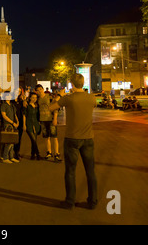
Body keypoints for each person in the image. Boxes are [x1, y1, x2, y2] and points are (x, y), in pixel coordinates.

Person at [49, 73, 97, 210]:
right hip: (88, 138)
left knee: (70, 171)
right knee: (90, 171)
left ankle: (70, 201)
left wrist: (60, 95)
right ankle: (92, 201)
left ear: (71, 83)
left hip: (72, 138)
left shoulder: (68, 99)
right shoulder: (91, 97)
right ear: (83, 83)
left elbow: (51, 108)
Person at [36, 85, 61, 161]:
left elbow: (55, 107)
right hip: (43, 120)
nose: (40, 91)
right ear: (36, 92)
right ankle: (49, 152)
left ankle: (56, 153)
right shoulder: (37, 99)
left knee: (54, 137)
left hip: (50, 119)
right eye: (38, 90)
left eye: (41, 89)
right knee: (47, 138)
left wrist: (55, 118)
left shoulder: (49, 97)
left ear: (43, 89)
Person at [0, 91, 20, 163]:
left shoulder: (12, 105)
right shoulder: (4, 105)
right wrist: (12, 122)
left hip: (13, 124)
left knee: (13, 141)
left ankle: (11, 157)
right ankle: (5, 157)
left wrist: (17, 122)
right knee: (8, 142)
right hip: (7, 124)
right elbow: (4, 115)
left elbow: (15, 114)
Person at [23, 92, 41, 160]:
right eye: (33, 97)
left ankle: (32, 155)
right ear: (30, 98)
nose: (34, 99)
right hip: (29, 123)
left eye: (36, 98)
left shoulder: (37, 105)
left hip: (36, 124)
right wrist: (24, 124)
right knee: (33, 139)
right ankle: (38, 154)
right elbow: (24, 115)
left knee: (34, 140)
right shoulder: (26, 105)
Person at [13, 87, 27, 160]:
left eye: (19, 91)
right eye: (16, 90)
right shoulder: (11, 101)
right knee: (12, 137)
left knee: (19, 138)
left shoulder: (21, 101)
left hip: (20, 122)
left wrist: (24, 124)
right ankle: (10, 153)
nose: (17, 92)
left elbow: (24, 113)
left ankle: (16, 152)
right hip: (13, 122)